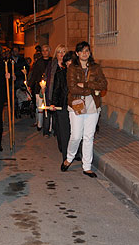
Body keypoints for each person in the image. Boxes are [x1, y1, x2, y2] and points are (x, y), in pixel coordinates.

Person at [61, 41, 108, 178]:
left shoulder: (96, 67)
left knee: (88, 137)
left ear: (89, 53)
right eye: (81, 51)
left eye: (87, 51)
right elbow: (72, 87)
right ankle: (69, 158)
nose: (84, 53)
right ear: (77, 53)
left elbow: (104, 84)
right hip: (76, 104)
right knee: (76, 135)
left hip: (93, 106)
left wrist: (86, 84)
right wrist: (92, 89)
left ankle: (87, 166)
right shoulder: (72, 68)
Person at [50, 51, 79, 162]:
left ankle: (75, 153)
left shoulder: (79, 75)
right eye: (67, 62)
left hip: (76, 107)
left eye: (71, 62)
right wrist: (53, 103)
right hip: (63, 106)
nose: (69, 64)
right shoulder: (60, 74)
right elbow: (56, 90)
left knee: (75, 132)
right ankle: (66, 157)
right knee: (64, 131)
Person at [41, 45, 67, 137]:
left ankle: (57, 130)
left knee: (59, 112)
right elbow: (46, 76)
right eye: (59, 52)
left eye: (63, 52)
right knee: (48, 110)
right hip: (51, 90)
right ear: (56, 53)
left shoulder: (67, 65)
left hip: (62, 93)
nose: (61, 54)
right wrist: (43, 86)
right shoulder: (52, 64)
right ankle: (46, 131)